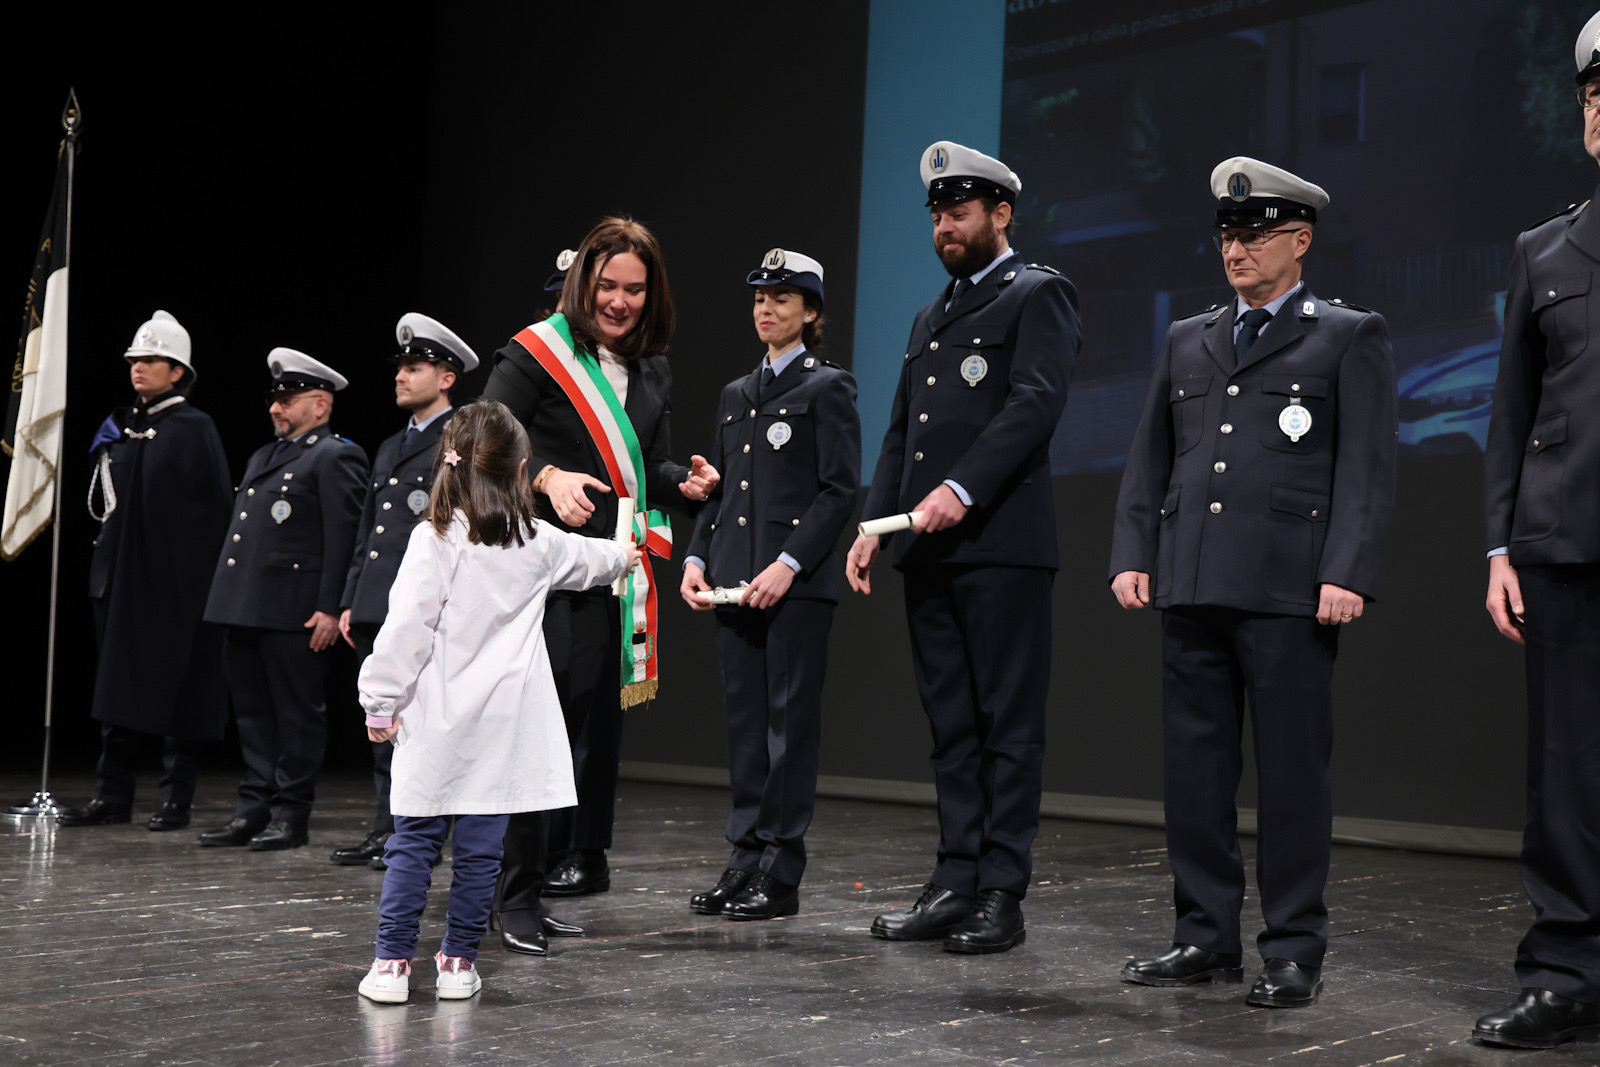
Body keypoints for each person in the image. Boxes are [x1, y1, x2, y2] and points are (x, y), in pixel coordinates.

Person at [1108, 157, 1397, 1008]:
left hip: (1287, 591)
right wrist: (1133, 551)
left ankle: (1294, 947)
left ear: (1299, 241)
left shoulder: (1345, 335)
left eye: (1254, 236)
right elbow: (1150, 458)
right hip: (1193, 580)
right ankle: (1204, 935)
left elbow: (1367, 470)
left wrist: (1346, 570)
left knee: (1292, 779)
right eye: (1227, 237)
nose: (1236, 250)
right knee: (1194, 775)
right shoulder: (1187, 337)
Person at [846, 141, 1081, 954]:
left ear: (1000, 214)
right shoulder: (930, 315)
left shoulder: (1037, 294)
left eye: (960, 212)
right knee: (950, 722)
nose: (945, 226)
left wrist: (961, 488)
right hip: (928, 550)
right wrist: (873, 526)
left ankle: (1001, 892)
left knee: (1005, 723)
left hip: (1002, 542)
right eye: (938, 215)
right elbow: (901, 431)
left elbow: (1034, 404)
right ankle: (955, 879)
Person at [479, 217, 719, 954]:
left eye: (635, 290)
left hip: (605, 576)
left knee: (569, 735)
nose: (619, 301)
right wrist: (547, 477)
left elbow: (646, 469)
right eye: (607, 285)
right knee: (533, 734)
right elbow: (481, 444)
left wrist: (687, 484)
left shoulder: (653, 370)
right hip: (536, 575)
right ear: (583, 283)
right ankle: (506, 895)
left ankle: (528, 885)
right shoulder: (536, 352)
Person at [355, 400, 639, 1004]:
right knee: (482, 852)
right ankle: (459, 962)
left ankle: (392, 965)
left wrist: (379, 701)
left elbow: (406, 629)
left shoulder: (434, 539)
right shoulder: (536, 540)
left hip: (437, 721)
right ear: (520, 471)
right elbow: (598, 561)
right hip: (503, 727)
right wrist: (626, 550)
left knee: (414, 846)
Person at [1474, 11, 1600, 1050]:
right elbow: (1510, 415)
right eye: (1596, 95)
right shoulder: (1543, 249)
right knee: (1563, 776)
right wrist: (1498, 549)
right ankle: (1565, 972)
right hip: (1562, 549)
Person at [680, 249, 860, 920]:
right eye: (760, 296)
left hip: (794, 586)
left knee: (789, 728)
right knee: (746, 729)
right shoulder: (736, 393)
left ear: (810, 312)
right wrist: (696, 559)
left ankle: (780, 870)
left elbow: (838, 491)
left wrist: (788, 563)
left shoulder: (827, 387)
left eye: (782, 298)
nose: (766, 307)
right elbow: (721, 492)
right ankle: (744, 857)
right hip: (734, 582)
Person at [59, 311, 232, 831]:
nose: (139, 367)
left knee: (180, 687)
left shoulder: (194, 428)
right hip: (119, 579)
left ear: (177, 371)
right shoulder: (121, 427)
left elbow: (211, 514)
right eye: (135, 359)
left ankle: (176, 798)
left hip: (172, 585)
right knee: (115, 686)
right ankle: (112, 793)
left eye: (152, 360)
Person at [198, 348, 368, 851]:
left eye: (288, 399)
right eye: (274, 398)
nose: (275, 407)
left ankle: (290, 813)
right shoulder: (264, 456)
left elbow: (343, 537)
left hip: (296, 611)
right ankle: (253, 808)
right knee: (252, 715)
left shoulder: (335, 455)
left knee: (296, 716)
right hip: (247, 605)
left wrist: (332, 607)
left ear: (320, 405)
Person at [330, 313, 478, 870]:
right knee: (383, 719)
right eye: (401, 367)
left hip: (428, 603)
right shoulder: (393, 444)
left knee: (429, 725)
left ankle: (422, 836)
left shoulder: (460, 439)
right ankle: (387, 827)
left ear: (447, 378)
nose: (401, 376)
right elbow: (369, 531)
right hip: (380, 600)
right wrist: (352, 597)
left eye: (415, 367)